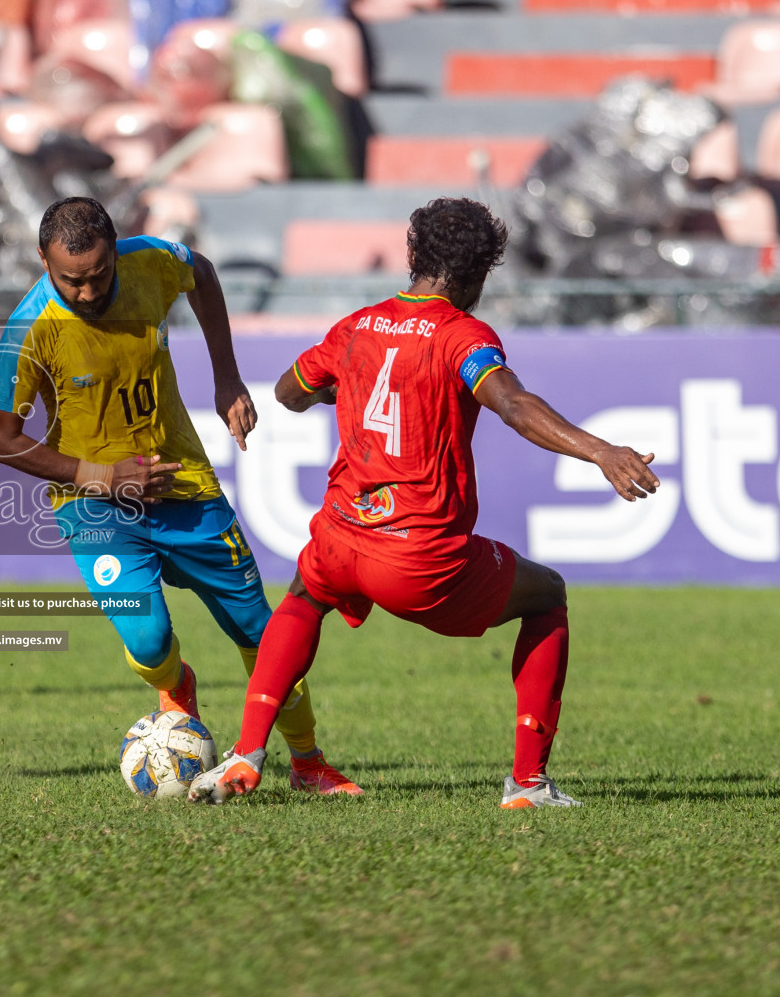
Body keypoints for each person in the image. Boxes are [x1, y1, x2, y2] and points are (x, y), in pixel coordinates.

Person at [189, 197, 661, 809]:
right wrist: (600, 451)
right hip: (416, 556)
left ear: (414, 256)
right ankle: (527, 784)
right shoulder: (461, 334)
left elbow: (288, 392)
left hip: (341, 533)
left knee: (306, 598)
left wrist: (345, 388)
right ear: (478, 274)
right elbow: (513, 404)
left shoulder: (358, 325)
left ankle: (248, 752)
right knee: (546, 595)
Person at [0, 197, 361, 795]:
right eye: (69, 280)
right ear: (42, 261)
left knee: (264, 636)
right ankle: (177, 688)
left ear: (115, 251)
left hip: (185, 484)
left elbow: (202, 273)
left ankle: (308, 762)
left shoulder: (150, 261)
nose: (85, 292)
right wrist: (103, 478)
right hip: (97, 507)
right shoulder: (29, 330)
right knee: (150, 640)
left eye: (98, 275)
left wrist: (226, 375)